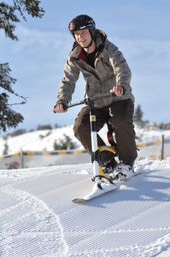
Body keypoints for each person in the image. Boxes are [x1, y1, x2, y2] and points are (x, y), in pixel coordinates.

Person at [53, 14, 137, 177]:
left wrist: (121, 86)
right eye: (76, 34)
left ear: (91, 31)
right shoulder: (75, 57)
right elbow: (68, 80)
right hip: (96, 102)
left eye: (83, 32)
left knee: (120, 121)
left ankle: (126, 163)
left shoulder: (108, 48)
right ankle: (107, 161)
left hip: (118, 98)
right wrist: (62, 101)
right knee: (80, 128)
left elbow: (122, 68)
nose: (80, 37)